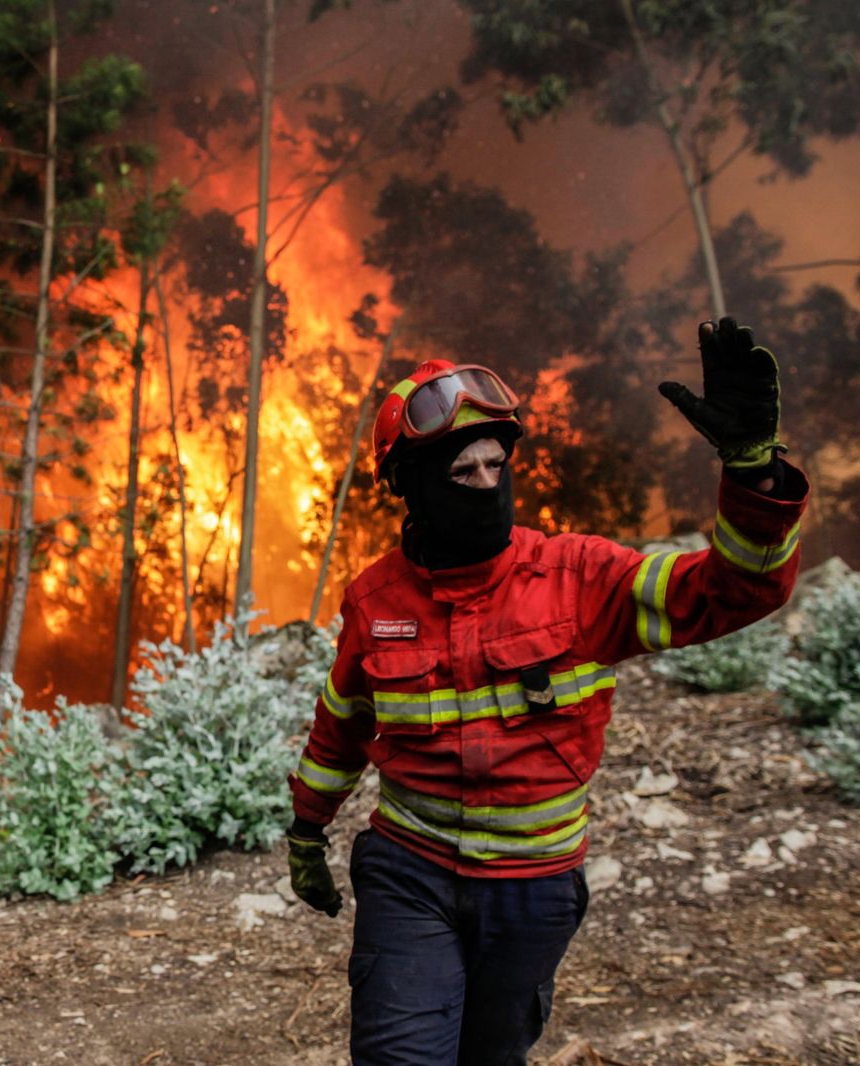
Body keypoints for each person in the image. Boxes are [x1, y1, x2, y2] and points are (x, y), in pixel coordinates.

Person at [285, 319, 807, 1065]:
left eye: (499, 464)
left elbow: (733, 590)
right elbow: (341, 726)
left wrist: (754, 473)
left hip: (534, 890)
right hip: (411, 876)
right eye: (464, 472)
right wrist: (308, 829)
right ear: (409, 485)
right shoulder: (376, 602)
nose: (488, 482)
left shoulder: (582, 578)